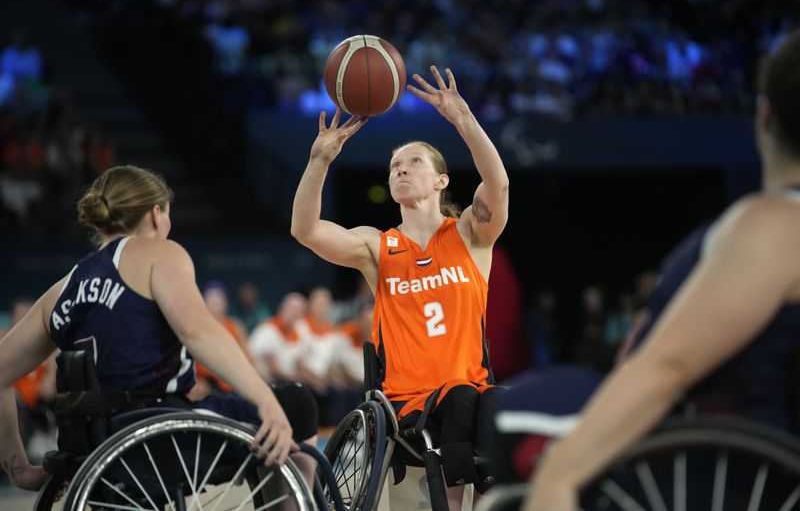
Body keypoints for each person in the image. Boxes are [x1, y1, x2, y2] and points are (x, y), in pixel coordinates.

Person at [525, 30, 800, 510]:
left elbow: (666, 367)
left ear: (763, 116)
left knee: (506, 420)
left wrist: (559, 476)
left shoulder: (776, 224)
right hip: (720, 456)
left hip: (711, 473)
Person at [0, 165, 317, 492]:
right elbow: (197, 331)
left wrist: (20, 470)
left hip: (90, 455)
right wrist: (265, 399)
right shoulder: (160, 254)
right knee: (296, 402)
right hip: (162, 441)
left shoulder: (61, 289)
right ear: (156, 213)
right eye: (168, 213)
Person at [291, 65, 509, 508]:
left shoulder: (470, 234)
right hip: (407, 400)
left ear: (441, 180)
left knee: (495, 401)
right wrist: (319, 162)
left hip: (471, 390)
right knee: (464, 399)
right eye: (394, 166)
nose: (401, 169)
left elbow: (498, 183)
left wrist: (463, 119)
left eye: (413, 162)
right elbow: (306, 229)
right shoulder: (377, 245)